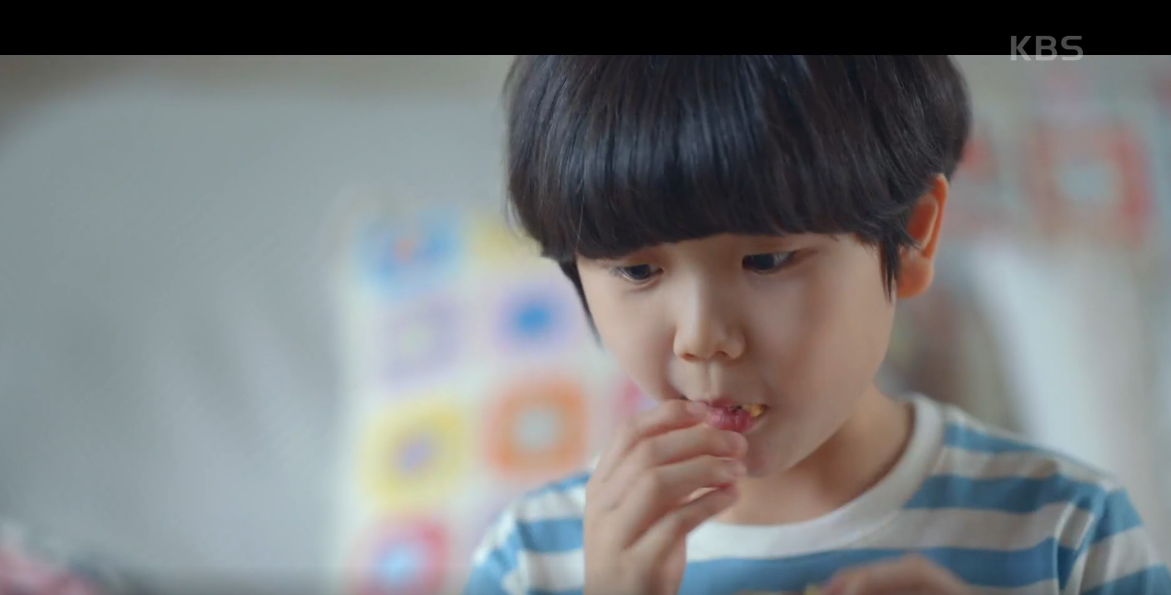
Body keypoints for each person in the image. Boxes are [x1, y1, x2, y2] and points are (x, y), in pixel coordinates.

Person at [462, 56, 1171, 595]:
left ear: (912, 238)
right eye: (638, 270)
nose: (701, 336)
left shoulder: (1069, 532)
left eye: (767, 259)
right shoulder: (533, 559)